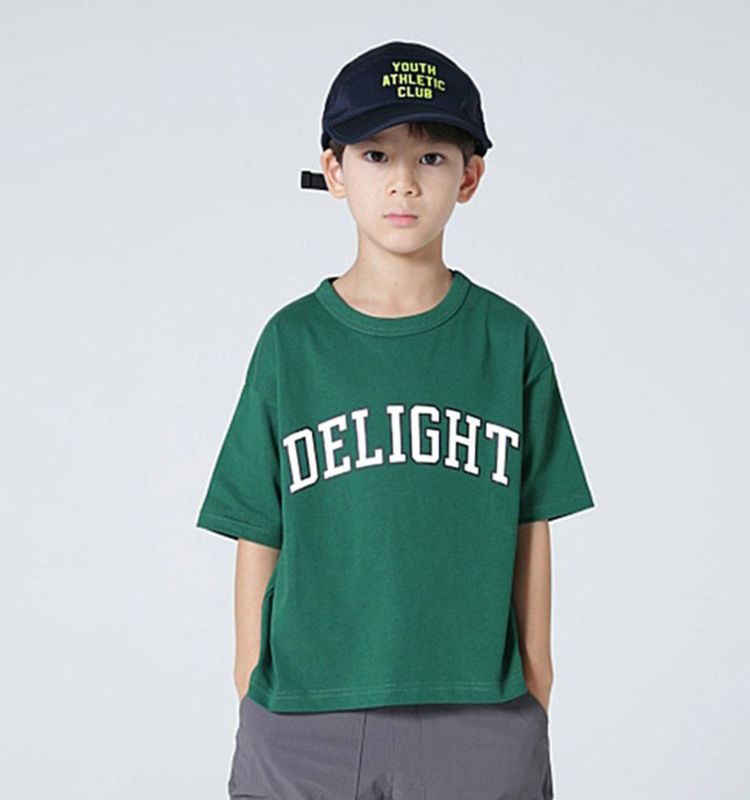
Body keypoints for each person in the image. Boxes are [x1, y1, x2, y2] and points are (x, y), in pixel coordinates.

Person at [196, 39, 595, 800]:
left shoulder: (506, 340)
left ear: (469, 177)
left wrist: (536, 686)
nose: (404, 181)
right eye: (376, 155)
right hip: (304, 714)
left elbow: (531, 524)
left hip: (480, 709)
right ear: (335, 171)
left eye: (432, 158)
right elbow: (258, 528)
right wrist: (251, 683)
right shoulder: (292, 343)